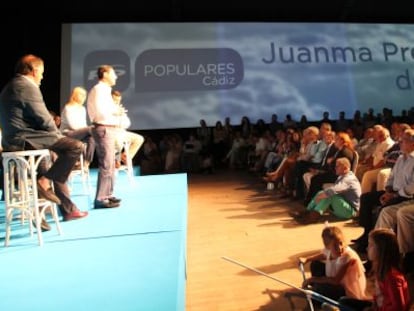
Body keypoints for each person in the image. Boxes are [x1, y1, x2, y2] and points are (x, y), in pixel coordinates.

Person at [0, 54, 88, 228]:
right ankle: (47, 186)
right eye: (41, 73)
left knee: (51, 164)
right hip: (25, 140)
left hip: (14, 142)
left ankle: (53, 210)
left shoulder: (10, 86)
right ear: (33, 71)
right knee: (74, 147)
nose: (42, 77)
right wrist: (57, 137)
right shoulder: (26, 86)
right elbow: (44, 118)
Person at [352, 128, 414, 252]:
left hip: (405, 195)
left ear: (412, 143)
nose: (400, 143)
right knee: (366, 198)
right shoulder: (401, 158)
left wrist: (394, 195)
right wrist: (388, 191)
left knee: (385, 210)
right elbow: (391, 177)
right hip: (394, 192)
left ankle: (379, 249)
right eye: (400, 140)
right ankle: (366, 236)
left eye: (403, 141)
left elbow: (412, 187)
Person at [338, 229, 411, 311]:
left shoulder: (392, 277)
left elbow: (399, 307)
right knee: (344, 302)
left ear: (381, 249)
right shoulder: (380, 270)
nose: (367, 248)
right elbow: (381, 298)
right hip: (379, 307)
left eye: (371, 245)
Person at [87, 65, 122, 209]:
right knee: (107, 164)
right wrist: (115, 111)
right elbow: (101, 112)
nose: (116, 77)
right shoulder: (99, 89)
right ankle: (101, 198)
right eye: (114, 74)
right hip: (104, 127)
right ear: (105, 74)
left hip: (108, 128)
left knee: (111, 163)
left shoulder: (104, 91)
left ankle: (108, 194)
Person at [301, 226, 367, 303]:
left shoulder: (347, 257)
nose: (340, 248)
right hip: (334, 280)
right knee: (315, 264)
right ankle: (316, 287)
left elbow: (336, 280)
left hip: (344, 288)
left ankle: (317, 290)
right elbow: (323, 255)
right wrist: (307, 259)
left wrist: (313, 279)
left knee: (321, 289)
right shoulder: (329, 251)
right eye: (335, 246)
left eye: (341, 243)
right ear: (327, 247)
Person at [293, 157, 361, 224]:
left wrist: (321, 196)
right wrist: (321, 194)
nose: (335, 168)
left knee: (329, 195)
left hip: (351, 212)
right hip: (345, 206)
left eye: (337, 166)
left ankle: (312, 217)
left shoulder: (348, 179)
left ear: (345, 168)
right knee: (321, 192)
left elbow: (334, 190)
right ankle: (308, 211)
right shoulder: (342, 176)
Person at [60, 86, 95, 170]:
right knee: (93, 129)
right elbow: (73, 126)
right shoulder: (68, 108)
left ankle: (86, 163)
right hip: (68, 133)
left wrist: (86, 130)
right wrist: (87, 129)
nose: (84, 97)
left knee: (92, 138)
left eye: (85, 95)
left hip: (80, 133)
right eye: (81, 95)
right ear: (75, 95)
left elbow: (83, 124)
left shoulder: (82, 109)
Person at [111, 90, 144, 166]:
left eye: (118, 100)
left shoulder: (120, 109)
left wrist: (120, 117)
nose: (117, 102)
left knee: (139, 139)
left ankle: (125, 156)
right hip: (112, 132)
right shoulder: (106, 109)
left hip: (121, 132)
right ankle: (116, 159)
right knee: (118, 141)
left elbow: (127, 123)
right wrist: (117, 118)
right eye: (115, 100)